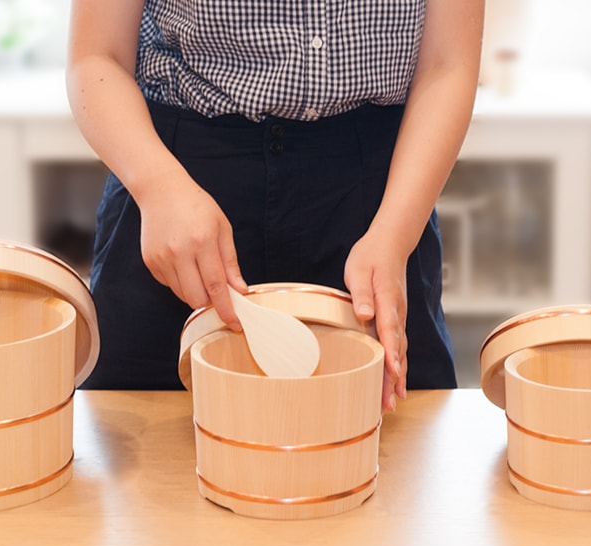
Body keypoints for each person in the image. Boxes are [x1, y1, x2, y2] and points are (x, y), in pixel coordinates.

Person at [66, 0, 484, 411]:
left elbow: (449, 66)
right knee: (139, 453)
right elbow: (97, 57)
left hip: (381, 202)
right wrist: (157, 185)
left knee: (402, 458)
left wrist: (394, 236)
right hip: (177, 185)